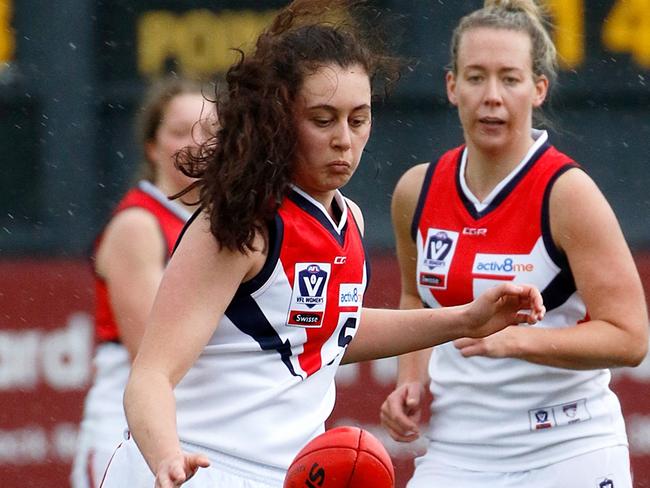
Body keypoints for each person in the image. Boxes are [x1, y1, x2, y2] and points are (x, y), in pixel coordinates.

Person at [99, 1, 545, 487]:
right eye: (322, 118)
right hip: (198, 471)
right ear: (280, 120)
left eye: (358, 119)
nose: (344, 140)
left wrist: (464, 319)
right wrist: (167, 459)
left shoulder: (346, 219)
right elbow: (148, 377)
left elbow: (331, 333)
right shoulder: (241, 225)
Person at [379, 1, 649, 487]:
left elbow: (630, 338)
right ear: (451, 86)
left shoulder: (566, 193)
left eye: (510, 78)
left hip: (568, 446)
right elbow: (415, 297)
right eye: (476, 77)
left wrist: (517, 341)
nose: (492, 97)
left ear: (538, 89)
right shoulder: (415, 191)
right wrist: (410, 379)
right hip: (456, 449)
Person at [71, 76, 214, 488]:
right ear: (153, 146)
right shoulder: (140, 223)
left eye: (210, 131)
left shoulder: (220, 228)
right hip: (128, 437)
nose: (198, 143)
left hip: (189, 433)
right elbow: (152, 352)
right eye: (180, 131)